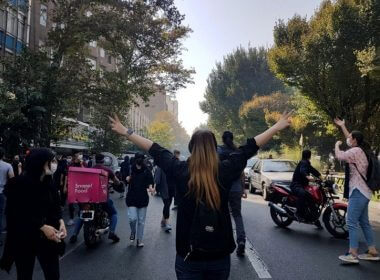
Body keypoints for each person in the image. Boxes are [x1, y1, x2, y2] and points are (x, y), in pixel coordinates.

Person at [110, 112, 291, 279]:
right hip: (219, 256)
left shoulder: (180, 169)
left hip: (188, 256)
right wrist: (276, 127)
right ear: (214, 149)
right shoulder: (225, 170)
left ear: (191, 148)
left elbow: (154, 149)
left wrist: (127, 131)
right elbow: (249, 147)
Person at [0, 148, 67, 279]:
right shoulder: (18, 184)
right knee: (24, 274)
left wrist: (61, 222)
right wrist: (41, 226)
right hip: (25, 238)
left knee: (53, 274)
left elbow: (55, 207)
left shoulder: (49, 183)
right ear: (41, 162)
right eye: (51, 161)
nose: (55, 164)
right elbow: (16, 213)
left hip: (49, 238)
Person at [334, 118, 379, 264]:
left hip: (358, 191)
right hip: (365, 192)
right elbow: (350, 140)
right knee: (364, 222)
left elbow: (339, 155)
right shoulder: (363, 149)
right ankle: (372, 250)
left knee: (351, 221)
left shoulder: (355, 151)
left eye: (350, 137)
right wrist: (343, 126)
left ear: (354, 140)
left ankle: (353, 253)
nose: (348, 139)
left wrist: (336, 145)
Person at [69, 154, 120, 243]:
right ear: (104, 161)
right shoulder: (108, 170)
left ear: (95, 161)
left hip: (89, 198)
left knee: (82, 214)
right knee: (114, 214)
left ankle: (74, 234)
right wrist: (117, 183)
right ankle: (112, 232)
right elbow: (116, 181)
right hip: (103, 199)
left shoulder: (89, 170)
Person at [217, 131, 247, 257]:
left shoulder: (219, 151)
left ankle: (222, 243)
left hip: (222, 188)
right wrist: (243, 188)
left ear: (223, 139)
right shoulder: (238, 152)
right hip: (236, 188)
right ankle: (241, 240)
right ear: (232, 138)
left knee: (220, 215)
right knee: (237, 215)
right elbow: (242, 173)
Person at [126, 153, 155, 247]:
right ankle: (133, 232)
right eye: (137, 158)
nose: (139, 160)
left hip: (142, 198)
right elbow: (124, 177)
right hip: (131, 197)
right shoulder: (131, 169)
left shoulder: (147, 170)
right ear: (135, 159)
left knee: (141, 221)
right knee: (132, 219)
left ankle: (139, 240)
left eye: (141, 158)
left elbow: (150, 181)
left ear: (143, 160)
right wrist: (127, 178)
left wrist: (151, 188)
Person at [290, 150, 322, 226]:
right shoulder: (303, 163)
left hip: (302, 185)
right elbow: (302, 171)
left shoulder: (307, 163)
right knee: (303, 194)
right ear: (309, 156)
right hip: (296, 185)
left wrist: (320, 176)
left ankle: (313, 217)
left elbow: (313, 170)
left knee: (311, 197)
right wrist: (307, 176)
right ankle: (298, 213)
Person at [64, 152, 84, 226]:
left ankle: (82, 217)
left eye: (79, 157)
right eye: (77, 157)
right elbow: (67, 175)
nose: (78, 159)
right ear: (75, 158)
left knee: (80, 203)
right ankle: (71, 219)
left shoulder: (82, 164)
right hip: (71, 185)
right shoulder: (70, 165)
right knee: (70, 203)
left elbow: (85, 172)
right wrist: (65, 186)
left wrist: (81, 164)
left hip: (80, 186)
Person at [0, 148, 14, 246]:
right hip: (1, 192)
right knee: (0, 215)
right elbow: (12, 179)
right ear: (3, 155)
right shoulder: (7, 165)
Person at [154, 163, 174, 232]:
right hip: (164, 188)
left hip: (171, 189)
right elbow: (157, 179)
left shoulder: (172, 165)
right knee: (167, 204)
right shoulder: (160, 166)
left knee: (168, 204)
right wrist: (155, 188)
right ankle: (167, 223)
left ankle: (163, 220)